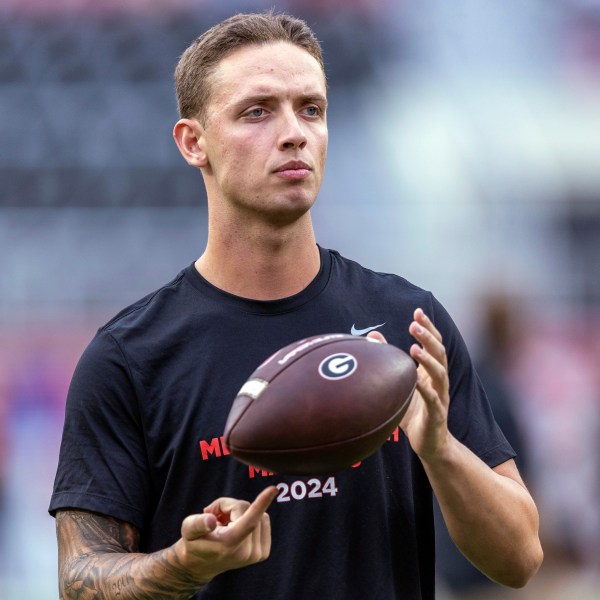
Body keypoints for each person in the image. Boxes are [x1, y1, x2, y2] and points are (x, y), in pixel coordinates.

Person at [49, 11, 543, 599]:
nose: (294, 132)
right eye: (257, 111)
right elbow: (80, 581)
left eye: (311, 109)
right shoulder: (130, 357)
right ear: (192, 142)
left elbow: (519, 559)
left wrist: (439, 449)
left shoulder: (410, 323)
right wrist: (183, 563)